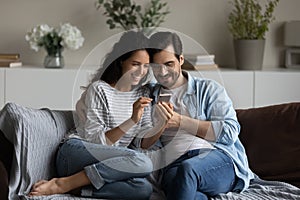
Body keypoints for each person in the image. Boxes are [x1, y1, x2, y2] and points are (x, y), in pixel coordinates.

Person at [28, 31, 155, 200]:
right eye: (135, 63)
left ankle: (76, 188)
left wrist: (163, 123)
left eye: (146, 66)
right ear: (121, 61)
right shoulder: (99, 89)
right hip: (76, 153)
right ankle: (63, 183)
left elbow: (142, 143)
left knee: (143, 188)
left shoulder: (144, 93)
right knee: (143, 162)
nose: (142, 71)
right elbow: (95, 141)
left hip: (107, 165)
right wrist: (132, 120)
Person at [141, 31, 255, 200]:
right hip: (173, 164)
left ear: (181, 60)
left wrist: (181, 121)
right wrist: (159, 125)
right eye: (156, 67)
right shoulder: (149, 96)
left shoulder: (209, 90)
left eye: (169, 64)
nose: (163, 72)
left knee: (188, 170)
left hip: (215, 159)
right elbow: (144, 144)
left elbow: (230, 132)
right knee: (184, 190)